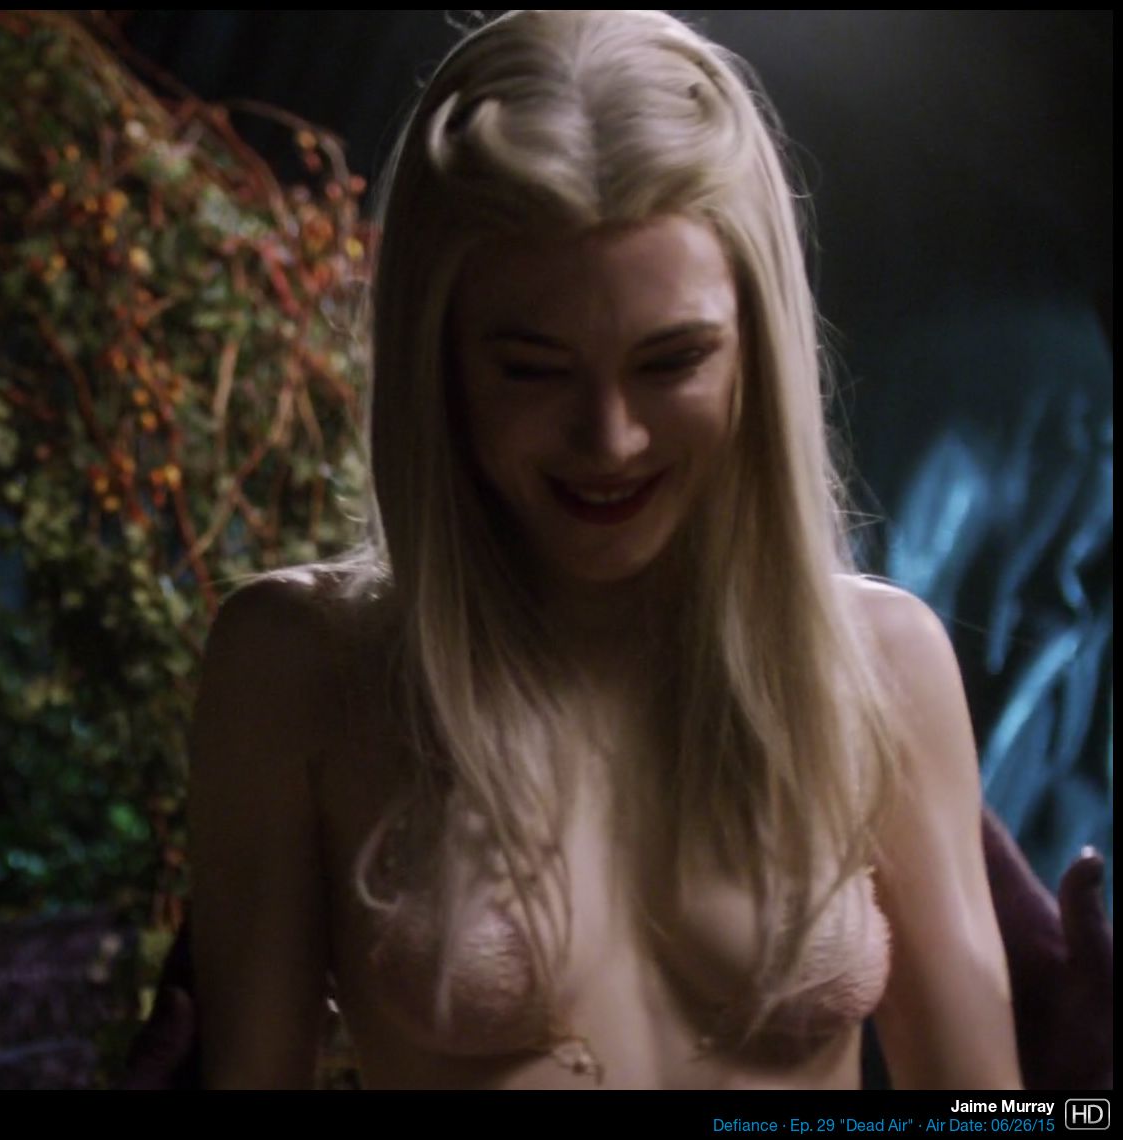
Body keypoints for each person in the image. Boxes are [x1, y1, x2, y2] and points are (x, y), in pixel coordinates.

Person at [182, 9, 1033, 1089]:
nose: (609, 439)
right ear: (438, 362)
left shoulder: (881, 663)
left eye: (670, 362)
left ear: (755, 351)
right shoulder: (300, 667)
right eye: (533, 368)